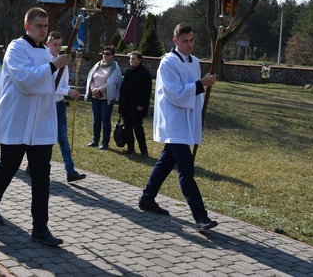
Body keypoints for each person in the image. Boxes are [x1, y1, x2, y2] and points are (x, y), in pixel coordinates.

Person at [0, 7, 70, 246]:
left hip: (40, 124)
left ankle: (40, 228)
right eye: (38, 25)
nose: (43, 30)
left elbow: (51, 86)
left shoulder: (46, 52)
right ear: (27, 26)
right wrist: (54, 66)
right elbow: (24, 81)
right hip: (18, 122)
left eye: (45, 26)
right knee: (9, 167)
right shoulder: (15, 48)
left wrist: (59, 71)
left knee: (42, 177)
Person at [138, 23, 219, 232]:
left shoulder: (195, 63)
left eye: (191, 40)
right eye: (184, 41)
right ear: (175, 41)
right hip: (174, 122)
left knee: (166, 162)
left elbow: (197, 95)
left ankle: (147, 198)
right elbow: (174, 92)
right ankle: (200, 216)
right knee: (186, 169)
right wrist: (202, 84)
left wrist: (200, 117)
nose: (189, 44)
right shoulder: (168, 63)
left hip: (188, 119)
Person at [47, 32, 87, 182]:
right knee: (47, 139)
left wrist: (70, 90)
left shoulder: (63, 62)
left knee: (63, 138)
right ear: (48, 44)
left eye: (59, 44)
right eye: (54, 44)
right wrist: (67, 91)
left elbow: (63, 84)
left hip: (59, 105)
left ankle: (70, 170)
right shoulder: (46, 61)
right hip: (48, 105)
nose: (57, 48)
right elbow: (50, 86)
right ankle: (36, 166)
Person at [84, 45, 122, 149]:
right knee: (96, 119)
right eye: (104, 53)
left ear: (112, 55)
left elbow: (113, 81)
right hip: (95, 97)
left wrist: (100, 89)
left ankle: (105, 142)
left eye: (108, 54)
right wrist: (93, 89)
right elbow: (90, 78)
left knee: (105, 119)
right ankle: (95, 140)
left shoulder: (115, 67)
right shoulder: (97, 65)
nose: (105, 55)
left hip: (106, 98)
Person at [119, 51, 152, 157]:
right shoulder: (128, 72)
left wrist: (142, 104)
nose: (131, 60)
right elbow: (123, 89)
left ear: (139, 60)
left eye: (133, 59)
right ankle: (130, 148)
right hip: (127, 105)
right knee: (127, 127)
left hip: (137, 106)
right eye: (130, 59)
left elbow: (146, 91)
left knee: (137, 128)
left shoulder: (144, 74)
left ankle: (143, 150)